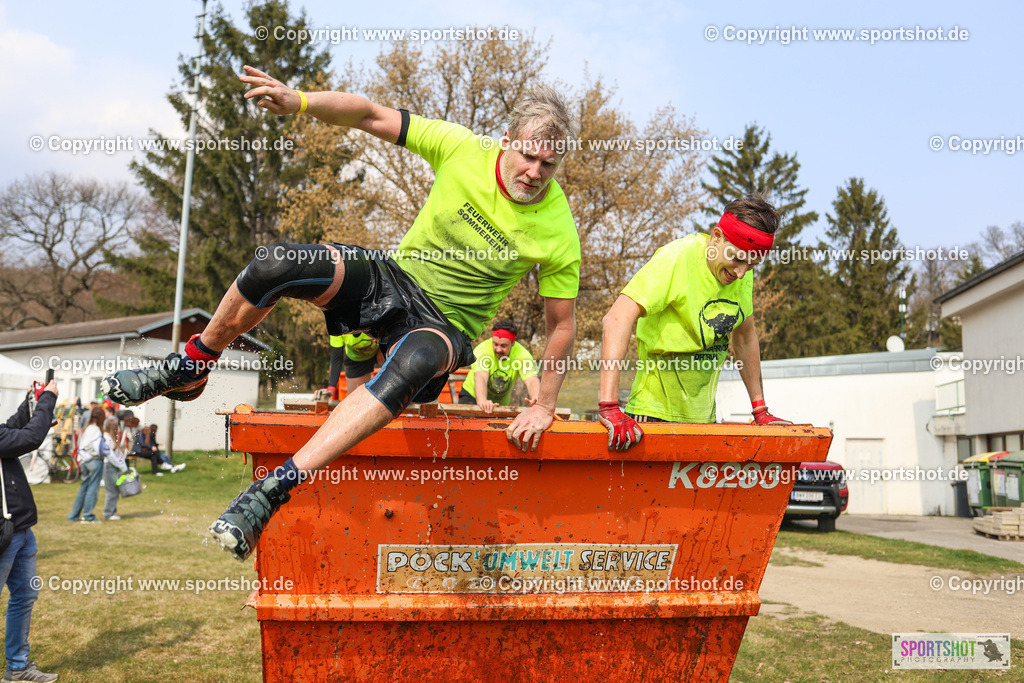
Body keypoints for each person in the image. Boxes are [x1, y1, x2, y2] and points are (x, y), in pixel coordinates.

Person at [101, 66, 581, 561]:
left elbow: (561, 324)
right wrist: (300, 101)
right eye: (528, 156)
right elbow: (369, 114)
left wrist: (543, 405)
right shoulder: (461, 147)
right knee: (276, 263)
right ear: (506, 142)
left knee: (416, 360)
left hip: (444, 325)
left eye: (548, 165)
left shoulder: (558, 229)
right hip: (392, 280)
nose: (534, 173)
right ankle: (192, 364)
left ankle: (274, 489)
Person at [598, 195, 791, 450]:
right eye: (737, 258)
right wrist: (609, 406)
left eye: (752, 264)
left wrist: (760, 410)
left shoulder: (741, 273)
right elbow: (616, 318)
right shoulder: (677, 258)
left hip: (704, 422)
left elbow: (744, 338)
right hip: (652, 417)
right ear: (717, 237)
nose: (741, 272)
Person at [0, 380, 59, 682]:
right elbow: (30, 438)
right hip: (4, 533)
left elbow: (12, 430)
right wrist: (47, 399)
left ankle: (18, 667)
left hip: (20, 528)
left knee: (24, 596)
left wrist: (30, 404)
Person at [458, 321, 540, 413]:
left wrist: (536, 398)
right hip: (471, 397)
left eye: (503, 346)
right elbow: (481, 377)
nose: (498, 349)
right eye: (495, 344)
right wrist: (482, 400)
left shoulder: (522, 355)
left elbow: (531, 380)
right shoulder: (482, 350)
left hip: (500, 404)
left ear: (513, 343)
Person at [67, 407, 105, 523]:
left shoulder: (88, 428)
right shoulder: (96, 429)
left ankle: (73, 515)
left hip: (84, 461)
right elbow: (92, 446)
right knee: (92, 489)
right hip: (93, 460)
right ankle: (87, 516)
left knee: (83, 488)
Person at [319, 332, 380, 399]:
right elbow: (336, 358)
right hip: (356, 358)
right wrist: (331, 387)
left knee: (388, 352)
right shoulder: (336, 328)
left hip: (380, 349)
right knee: (355, 399)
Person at [100, 417, 128, 521]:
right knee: (112, 491)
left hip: (114, 466)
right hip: (109, 466)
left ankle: (112, 511)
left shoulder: (112, 438)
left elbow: (118, 454)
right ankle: (108, 513)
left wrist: (123, 466)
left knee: (115, 489)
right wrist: (122, 466)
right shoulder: (107, 438)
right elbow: (110, 456)